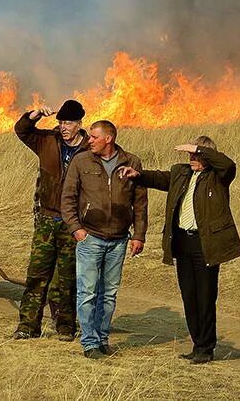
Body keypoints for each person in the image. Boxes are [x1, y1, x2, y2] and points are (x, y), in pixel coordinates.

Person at [117, 135, 240, 364]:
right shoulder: (181, 173)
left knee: (205, 297)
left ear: (207, 156)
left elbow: (228, 164)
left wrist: (199, 148)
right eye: (191, 155)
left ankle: (206, 348)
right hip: (183, 242)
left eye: (196, 155)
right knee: (189, 296)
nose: (192, 158)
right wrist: (139, 175)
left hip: (205, 244)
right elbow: (159, 178)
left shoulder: (219, 176)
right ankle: (198, 345)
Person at [61, 120, 146, 359]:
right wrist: (76, 229)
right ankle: (89, 343)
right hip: (90, 237)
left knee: (108, 294)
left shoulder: (132, 162)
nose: (89, 140)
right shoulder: (81, 161)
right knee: (87, 293)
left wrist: (139, 235)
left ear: (108, 139)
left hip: (119, 239)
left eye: (94, 137)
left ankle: (102, 339)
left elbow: (140, 203)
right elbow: (67, 198)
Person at [11, 99, 89, 340]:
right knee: (37, 274)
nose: (64, 127)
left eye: (68, 123)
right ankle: (27, 326)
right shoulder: (46, 141)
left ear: (79, 124)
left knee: (67, 278)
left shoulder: (89, 150)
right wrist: (34, 115)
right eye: (61, 122)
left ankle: (65, 326)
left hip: (73, 223)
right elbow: (21, 131)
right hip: (47, 218)